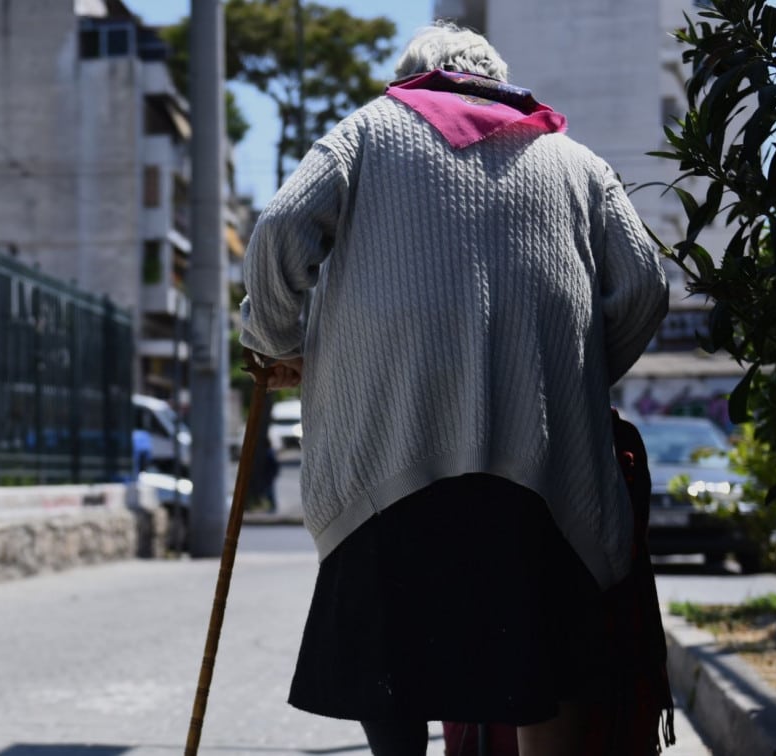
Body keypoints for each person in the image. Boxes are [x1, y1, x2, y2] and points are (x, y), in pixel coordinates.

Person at [238, 22, 669, 756]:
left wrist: (276, 340)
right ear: (496, 81)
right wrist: (569, 375)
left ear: (412, 80)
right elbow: (646, 287)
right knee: (544, 675)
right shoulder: (576, 162)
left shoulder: (367, 133)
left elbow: (280, 227)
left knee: (393, 679)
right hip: (541, 473)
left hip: (388, 467)